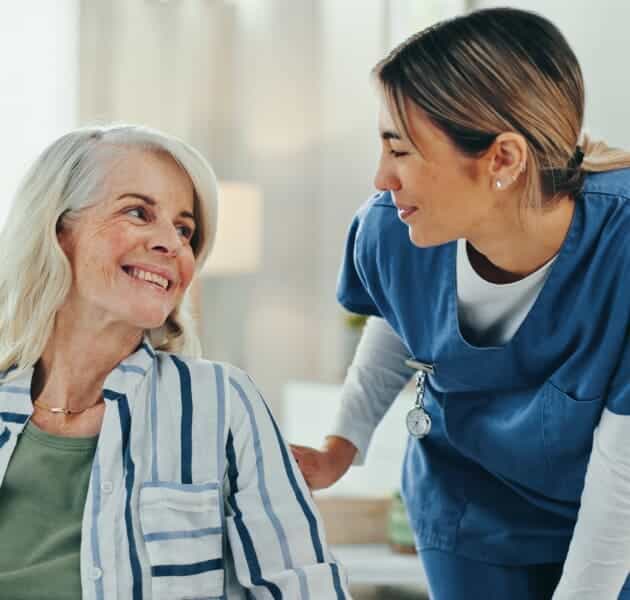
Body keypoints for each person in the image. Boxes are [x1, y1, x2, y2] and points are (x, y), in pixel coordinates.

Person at [291, 8, 630, 600]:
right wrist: (339, 445)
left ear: (502, 158)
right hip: (470, 510)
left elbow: (622, 471)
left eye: (400, 150)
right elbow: (404, 317)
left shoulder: (620, 248)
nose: (381, 178)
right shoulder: (391, 228)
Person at [0, 124, 350, 599]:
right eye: (138, 212)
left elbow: (303, 587)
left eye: (185, 229)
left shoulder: (222, 403)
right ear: (59, 230)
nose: (172, 244)